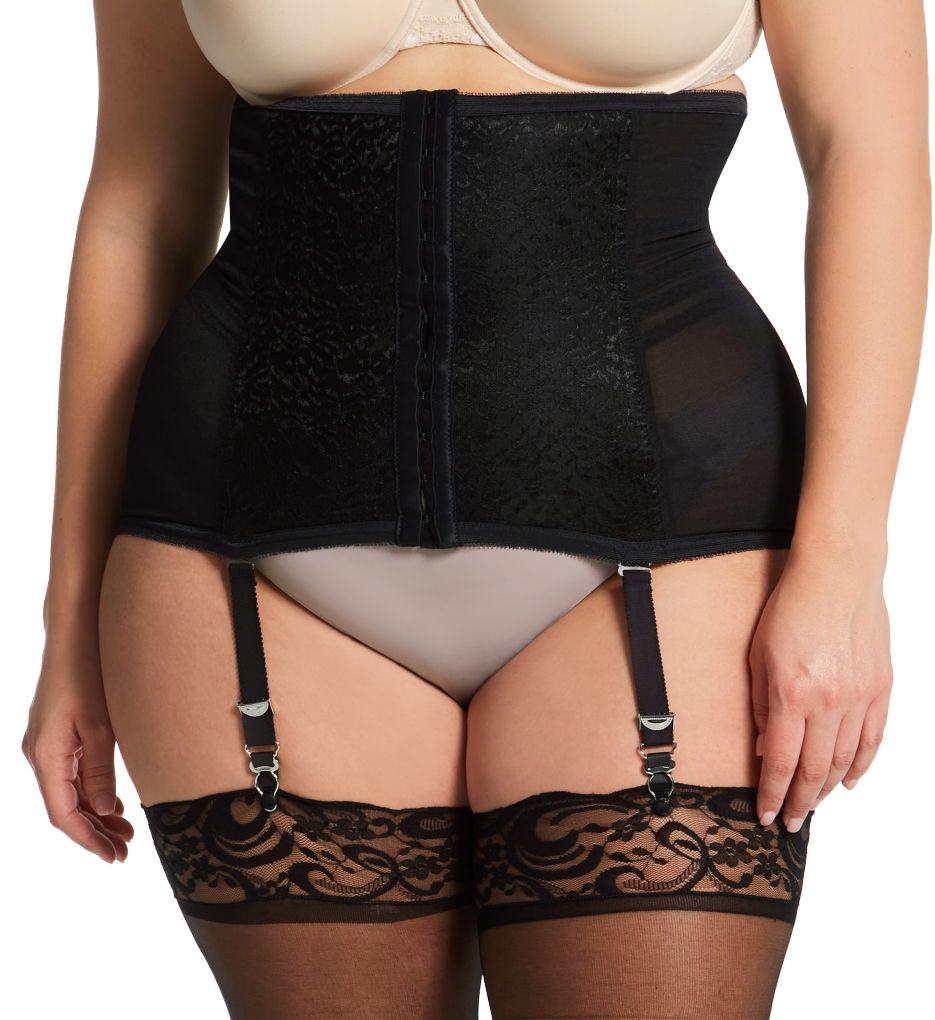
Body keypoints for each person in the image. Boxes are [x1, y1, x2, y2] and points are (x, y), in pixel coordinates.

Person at [21, 1, 929, 1017]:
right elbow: (139, 202)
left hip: (666, 540)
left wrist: (844, 564)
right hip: (238, 547)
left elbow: (869, 151)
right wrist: (70, 621)